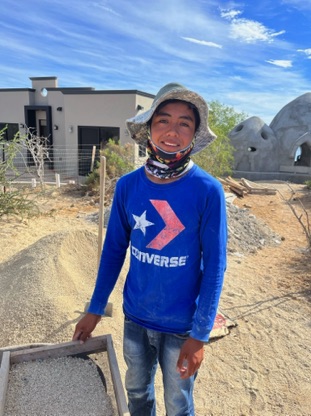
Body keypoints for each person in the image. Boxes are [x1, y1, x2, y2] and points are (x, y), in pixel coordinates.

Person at [73, 82, 227, 416]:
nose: (173, 130)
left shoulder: (207, 190)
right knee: (137, 393)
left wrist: (200, 334)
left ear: (194, 132)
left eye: (185, 122)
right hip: (137, 317)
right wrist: (96, 307)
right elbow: (114, 249)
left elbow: (215, 266)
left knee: (178, 402)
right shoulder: (128, 186)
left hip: (182, 323)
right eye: (164, 120)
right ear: (149, 129)